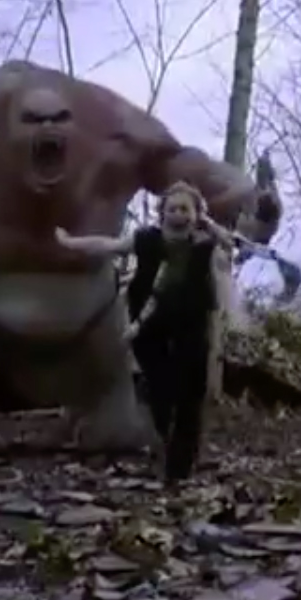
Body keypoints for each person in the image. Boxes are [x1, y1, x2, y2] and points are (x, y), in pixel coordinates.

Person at [55, 181, 236, 480]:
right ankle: (164, 443)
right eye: (172, 209)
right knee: (160, 391)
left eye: (185, 209)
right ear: (162, 213)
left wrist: (209, 223)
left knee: (190, 395)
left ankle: (180, 467)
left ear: (196, 215)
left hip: (191, 325)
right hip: (149, 326)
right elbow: (108, 245)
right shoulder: (147, 239)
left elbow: (230, 244)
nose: (178, 214)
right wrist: (71, 243)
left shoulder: (203, 244)